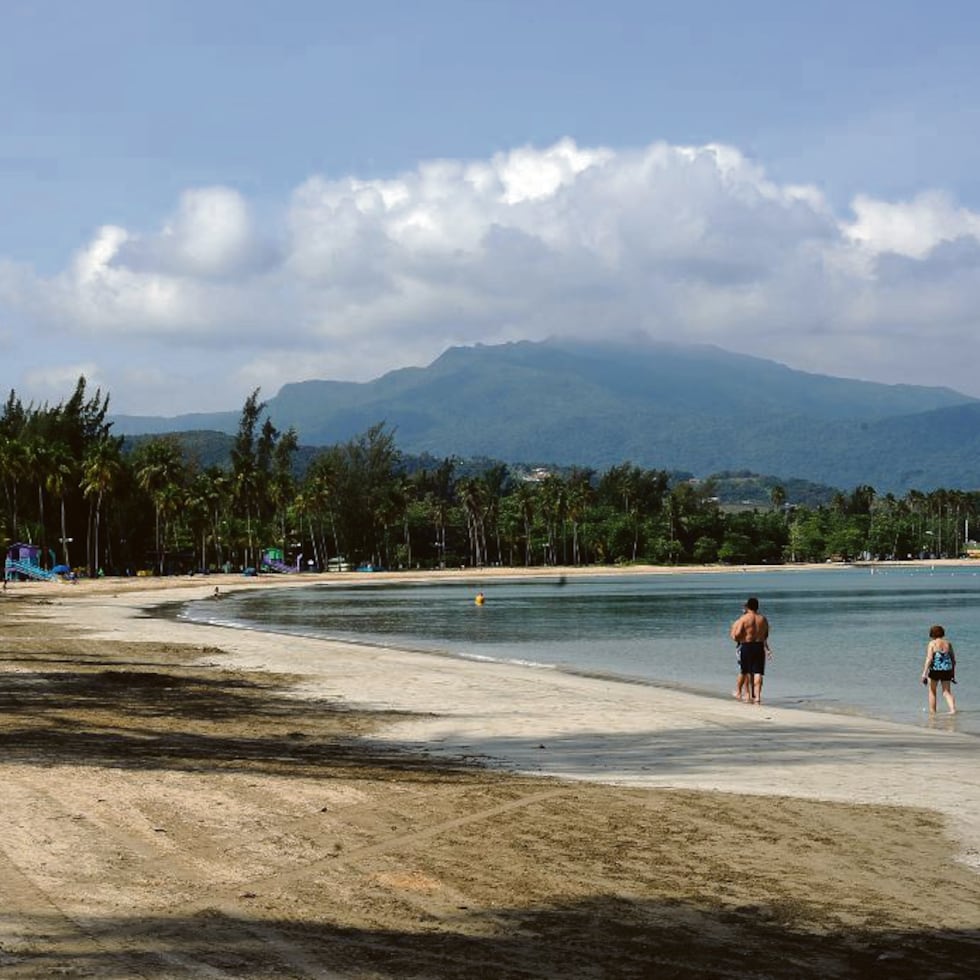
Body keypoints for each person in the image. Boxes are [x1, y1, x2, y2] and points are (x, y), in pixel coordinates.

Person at [730, 596, 771, 704]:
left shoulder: (743, 619)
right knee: (758, 672)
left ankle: (739, 692)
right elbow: (766, 634)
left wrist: (737, 638)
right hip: (759, 646)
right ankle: (757, 697)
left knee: (744, 671)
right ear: (757, 607)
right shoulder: (763, 619)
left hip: (747, 646)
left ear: (748, 607)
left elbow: (737, 635)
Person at [921, 624, 957, 715]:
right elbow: (953, 660)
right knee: (946, 692)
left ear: (932, 634)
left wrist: (924, 674)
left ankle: (933, 713)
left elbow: (929, 658)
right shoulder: (948, 643)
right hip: (947, 670)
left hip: (935, 670)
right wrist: (953, 673)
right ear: (942, 633)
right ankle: (953, 710)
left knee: (932, 691)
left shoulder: (932, 643)